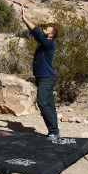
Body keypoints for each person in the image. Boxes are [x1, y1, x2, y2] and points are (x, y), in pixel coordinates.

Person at [21, 10, 60, 141]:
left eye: (47, 29)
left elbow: (36, 32)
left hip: (47, 79)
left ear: (50, 34)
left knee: (42, 103)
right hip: (43, 78)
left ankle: (54, 132)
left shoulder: (49, 43)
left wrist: (25, 18)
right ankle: (54, 131)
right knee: (49, 104)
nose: (44, 29)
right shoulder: (44, 43)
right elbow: (37, 34)